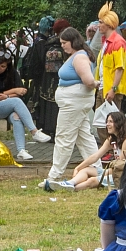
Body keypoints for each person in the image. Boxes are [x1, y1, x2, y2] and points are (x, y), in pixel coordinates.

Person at [44, 27, 98, 187]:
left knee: (64, 138)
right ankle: (98, 170)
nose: (62, 46)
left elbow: (88, 80)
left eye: (64, 43)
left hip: (74, 102)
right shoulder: (76, 55)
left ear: (73, 41)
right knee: (84, 138)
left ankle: (54, 176)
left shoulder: (80, 57)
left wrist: (96, 84)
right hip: (73, 102)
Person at [0, 38, 40, 160]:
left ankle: (21, 150)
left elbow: (22, 92)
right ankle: (34, 131)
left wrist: (7, 96)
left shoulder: (13, 73)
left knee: (16, 117)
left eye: (3, 66)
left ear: (7, 66)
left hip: (8, 107)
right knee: (16, 101)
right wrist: (13, 92)